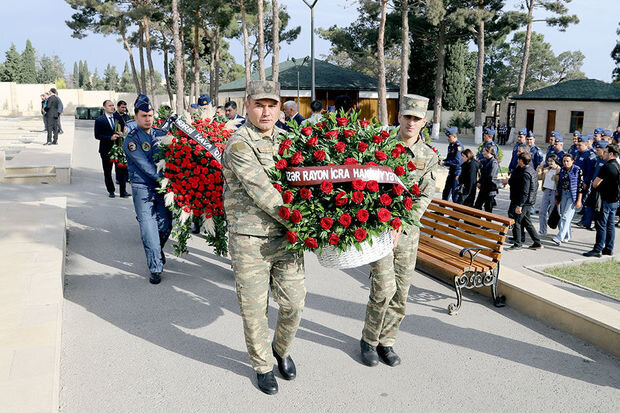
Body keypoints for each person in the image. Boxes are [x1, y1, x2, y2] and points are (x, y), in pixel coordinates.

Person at [222, 80, 305, 395]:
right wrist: (304, 222)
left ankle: (280, 349)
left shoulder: (289, 140)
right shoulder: (239, 144)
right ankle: (262, 365)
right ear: (248, 106)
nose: (266, 111)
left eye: (271, 105)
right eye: (259, 105)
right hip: (250, 241)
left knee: (294, 303)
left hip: (286, 238)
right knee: (255, 309)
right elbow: (264, 193)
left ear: (279, 107)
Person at [361, 94, 438, 368]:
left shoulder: (428, 156)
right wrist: (384, 223)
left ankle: (387, 342)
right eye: (407, 116)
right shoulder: (380, 146)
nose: (411, 122)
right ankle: (369, 340)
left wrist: (401, 223)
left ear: (424, 122)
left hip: (407, 236)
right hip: (379, 233)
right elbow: (365, 186)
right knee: (383, 288)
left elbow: (425, 196)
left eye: (417, 118)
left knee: (401, 292)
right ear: (399, 117)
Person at [123, 94, 171, 284]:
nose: (148, 118)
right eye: (144, 115)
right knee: (148, 228)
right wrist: (164, 181)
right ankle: (155, 268)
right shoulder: (131, 140)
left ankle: (156, 252)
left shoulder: (161, 134)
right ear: (135, 117)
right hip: (142, 187)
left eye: (150, 115)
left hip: (162, 190)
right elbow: (145, 166)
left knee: (166, 224)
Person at [583, 144, 620, 257]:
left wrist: (599, 185)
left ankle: (597, 249)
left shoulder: (607, 166)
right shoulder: (617, 165)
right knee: (610, 225)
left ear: (611, 154)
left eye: (605, 152)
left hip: (604, 200)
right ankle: (608, 248)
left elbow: (595, 184)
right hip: (614, 200)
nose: (603, 154)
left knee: (601, 225)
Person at [508, 151, 542, 250]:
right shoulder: (526, 169)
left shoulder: (526, 173)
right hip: (525, 200)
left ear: (521, 161)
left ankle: (518, 244)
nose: (517, 160)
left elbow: (525, 192)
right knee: (527, 221)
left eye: (519, 159)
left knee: (517, 221)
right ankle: (537, 242)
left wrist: (520, 205)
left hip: (525, 201)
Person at [94, 100, 128, 198]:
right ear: (104, 107)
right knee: (107, 172)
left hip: (119, 148)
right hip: (106, 150)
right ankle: (111, 191)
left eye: (113, 105)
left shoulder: (118, 118)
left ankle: (123, 191)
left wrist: (123, 133)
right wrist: (109, 137)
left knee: (122, 170)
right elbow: (97, 135)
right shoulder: (100, 120)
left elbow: (124, 129)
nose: (112, 107)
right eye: (109, 106)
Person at [552, 154, 583, 246]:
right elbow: (560, 184)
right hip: (564, 194)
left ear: (572, 161)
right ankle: (567, 236)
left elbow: (580, 186)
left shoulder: (577, 170)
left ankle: (559, 237)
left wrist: (579, 200)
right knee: (563, 216)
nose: (565, 163)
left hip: (573, 195)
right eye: (564, 161)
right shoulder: (562, 169)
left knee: (566, 216)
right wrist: (558, 197)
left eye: (567, 161)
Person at [575, 134, 598, 229]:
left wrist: (586, 182)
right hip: (576, 180)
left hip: (584, 181)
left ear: (586, 145)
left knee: (585, 201)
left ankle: (585, 220)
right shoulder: (577, 153)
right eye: (577, 144)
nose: (578, 146)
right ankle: (584, 219)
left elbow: (590, 171)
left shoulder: (590, 156)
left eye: (580, 145)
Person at [538, 154, 561, 236]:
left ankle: (561, 232)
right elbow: (539, 177)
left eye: (552, 161)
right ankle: (542, 230)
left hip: (555, 192)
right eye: (548, 161)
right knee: (542, 212)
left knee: (555, 212)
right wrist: (540, 167)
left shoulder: (559, 170)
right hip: (546, 190)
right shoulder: (546, 169)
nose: (550, 163)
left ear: (556, 161)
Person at [474, 145, 499, 212]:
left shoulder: (493, 162)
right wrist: (479, 182)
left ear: (489, 152)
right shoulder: (486, 161)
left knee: (488, 209)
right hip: (484, 188)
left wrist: (482, 183)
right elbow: (483, 175)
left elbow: (491, 177)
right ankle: (476, 222)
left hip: (489, 189)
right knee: (477, 206)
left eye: (484, 151)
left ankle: (488, 222)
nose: (482, 153)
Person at [441, 126, 463, 202]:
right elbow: (449, 159)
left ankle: (455, 212)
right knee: (446, 192)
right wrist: (442, 161)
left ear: (454, 136)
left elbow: (457, 161)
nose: (448, 139)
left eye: (449, 137)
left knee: (455, 194)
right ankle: (440, 212)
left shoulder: (458, 146)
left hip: (457, 172)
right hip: (451, 171)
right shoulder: (451, 146)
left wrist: (445, 163)